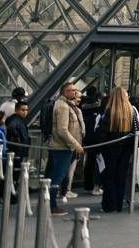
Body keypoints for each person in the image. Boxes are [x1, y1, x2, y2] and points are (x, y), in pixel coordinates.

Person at [93, 87, 136, 213]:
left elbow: (103, 133)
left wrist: (99, 148)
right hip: (126, 149)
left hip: (110, 149)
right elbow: (136, 131)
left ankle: (109, 205)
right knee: (121, 176)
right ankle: (118, 204)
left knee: (109, 177)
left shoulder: (110, 111)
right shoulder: (130, 111)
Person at [47, 82, 85, 216]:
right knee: (57, 177)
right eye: (72, 90)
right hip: (62, 147)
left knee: (56, 176)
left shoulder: (66, 104)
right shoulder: (63, 106)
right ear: (65, 92)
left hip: (63, 147)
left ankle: (49, 203)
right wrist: (76, 145)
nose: (75, 92)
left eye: (75, 90)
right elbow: (62, 130)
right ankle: (51, 206)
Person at [5, 99, 30, 192]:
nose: (25, 112)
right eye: (23, 110)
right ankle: (13, 193)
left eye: (26, 110)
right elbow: (12, 129)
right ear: (16, 110)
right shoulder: (17, 121)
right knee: (15, 173)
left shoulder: (16, 120)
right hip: (18, 151)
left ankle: (12, 192)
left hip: (17, 151)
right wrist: (17, 138)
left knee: (14, 173)